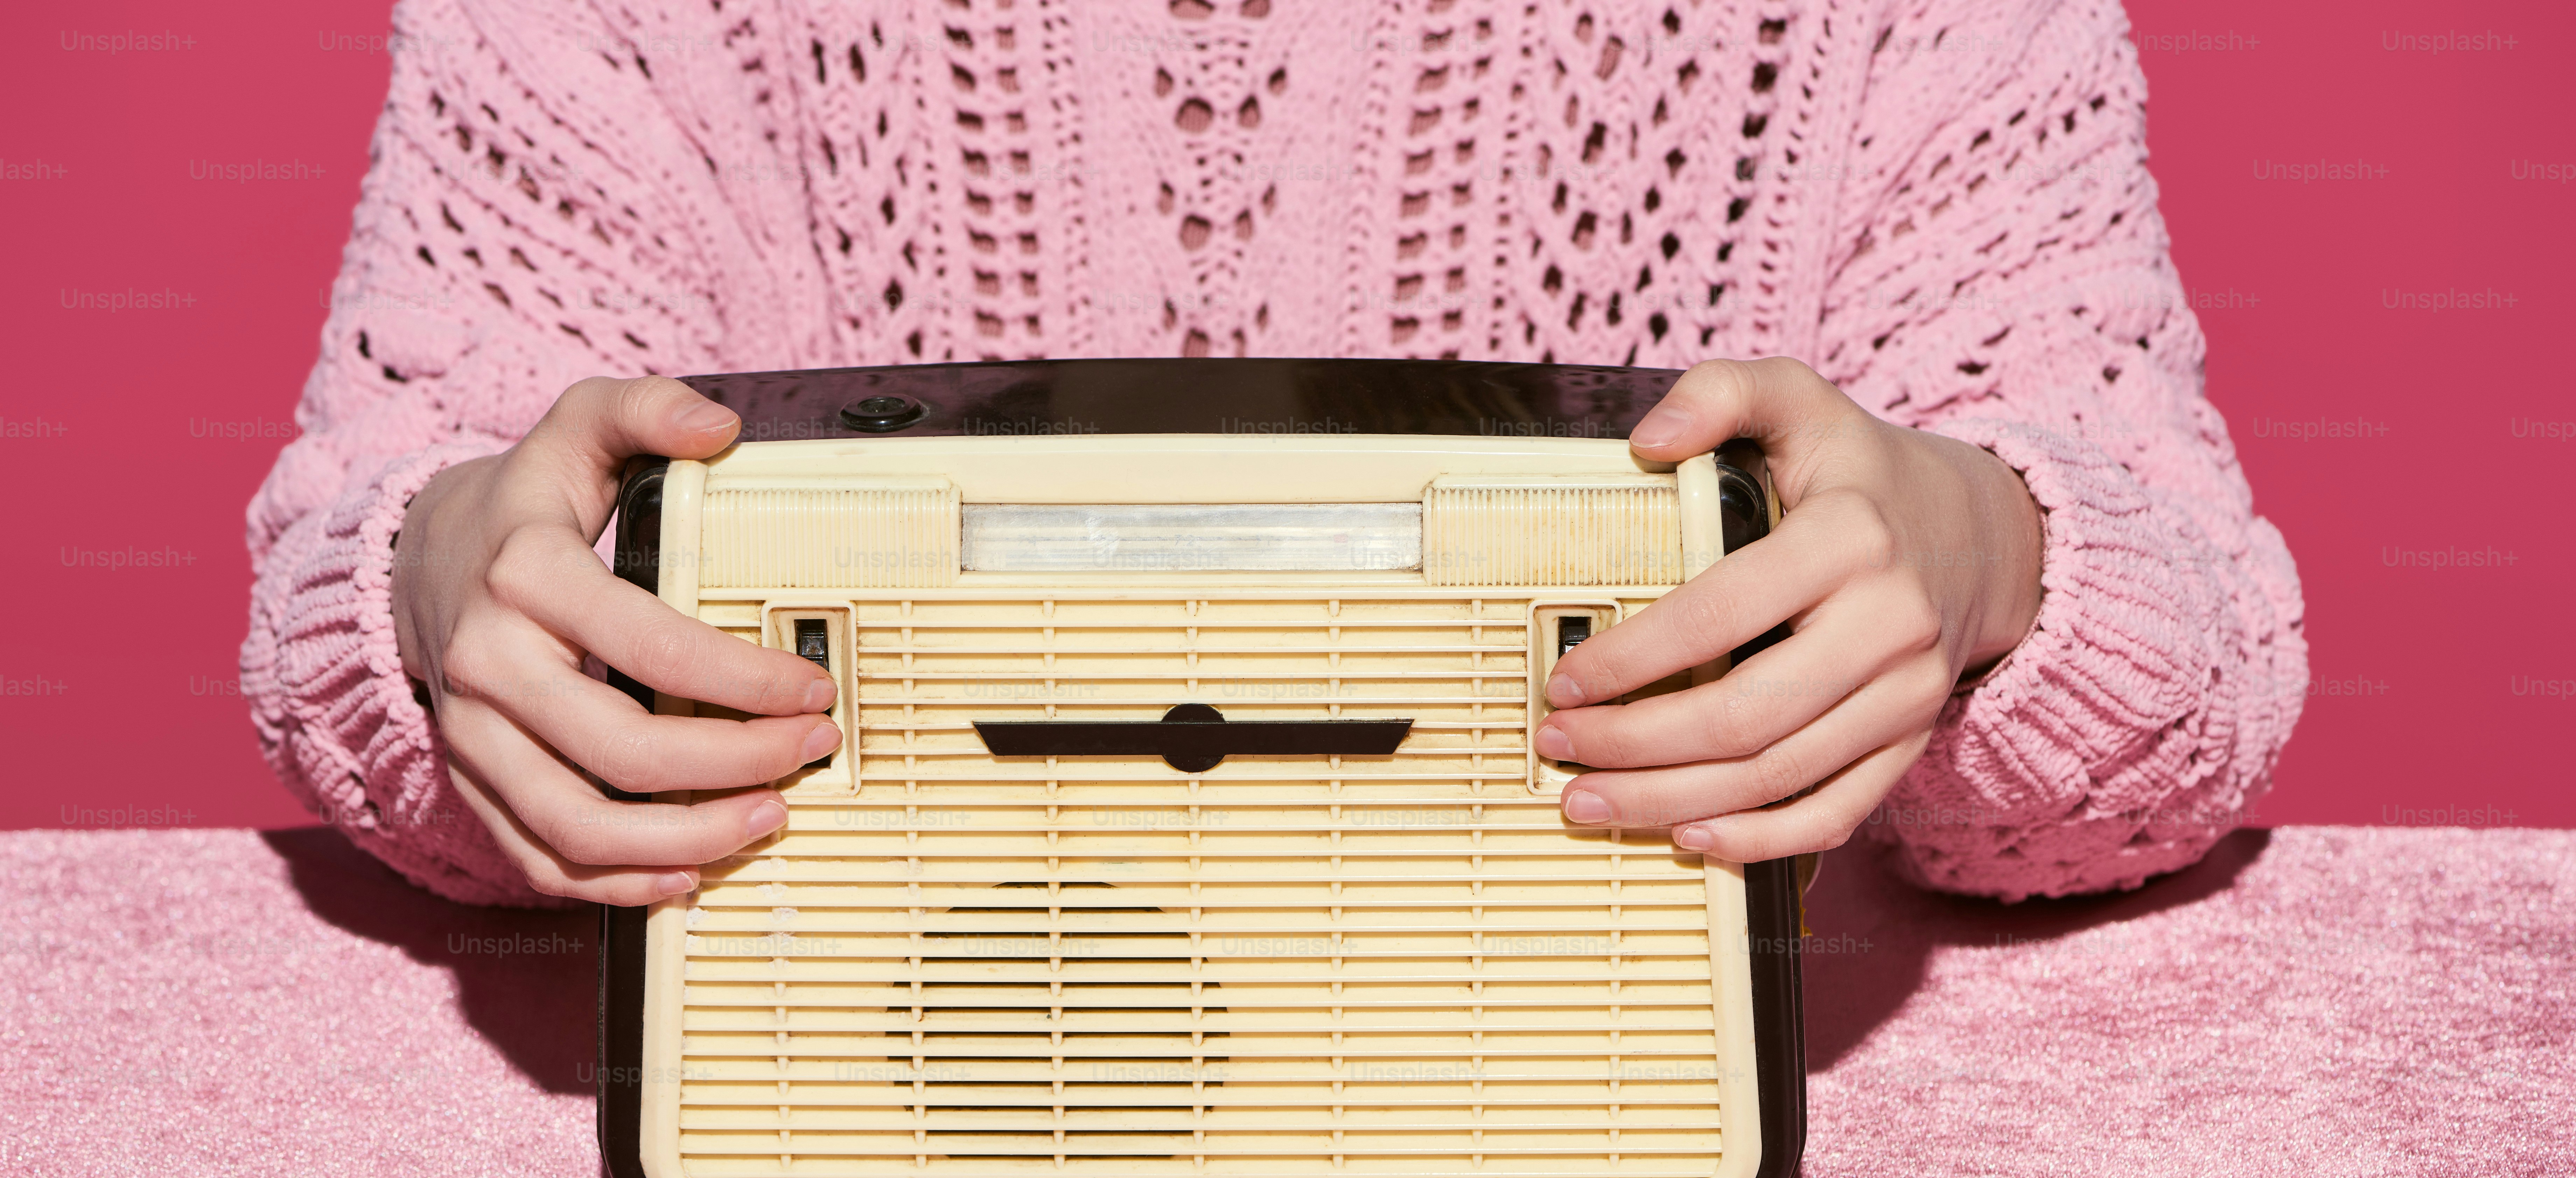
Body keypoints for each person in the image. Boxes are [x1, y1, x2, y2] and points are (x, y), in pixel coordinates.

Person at [243, 0, 2302, 908]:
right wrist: (444, 607)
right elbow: (393, 531)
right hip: (843, 1161)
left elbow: (2176, 727)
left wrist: (1978, 551)